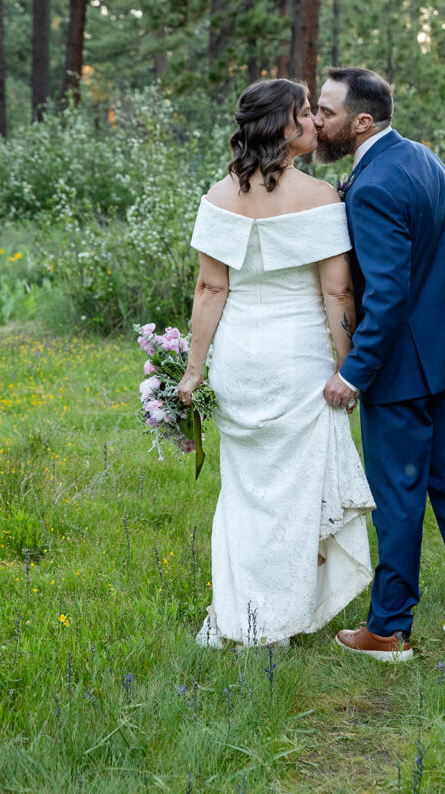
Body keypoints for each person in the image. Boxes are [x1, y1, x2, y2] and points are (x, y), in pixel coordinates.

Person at [313, 66, 445, 662]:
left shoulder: (372, 186)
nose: (317, 120)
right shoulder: (424, 159)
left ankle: (390, 628)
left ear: (361, 121)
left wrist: (353, 372)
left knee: (398, 496)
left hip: (402, 368)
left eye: (327, 112)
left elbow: (388, 294)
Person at [178, 78, 375, 648]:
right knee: (290, 494)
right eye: (306, 111)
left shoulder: (218, 197)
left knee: (244, 493)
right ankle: (278, 620)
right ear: (283, 127)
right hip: (298, 359)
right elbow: (337, 295)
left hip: (240, 357)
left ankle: (240, 615)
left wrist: (195, 370)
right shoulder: (318, 197)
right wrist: (348, 369)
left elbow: (210, 288)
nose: (315, 120)